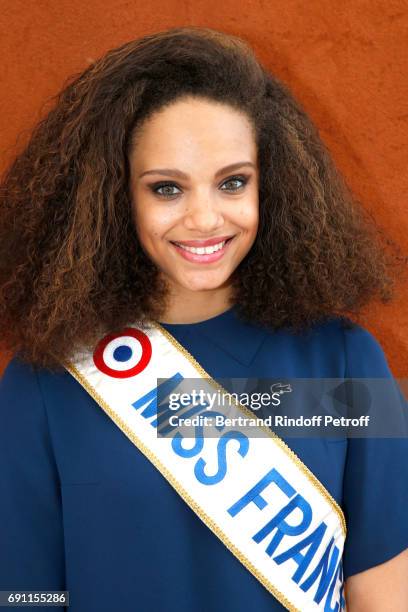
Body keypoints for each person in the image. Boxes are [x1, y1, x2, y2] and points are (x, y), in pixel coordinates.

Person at [0, 25, 407, 612]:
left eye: (233, 182)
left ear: (277, 187)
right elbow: (26, 596)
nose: (204, 218)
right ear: (115, 196)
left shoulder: (346, 360)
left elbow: (382, 587)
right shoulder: (44, 381)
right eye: (166, 188)